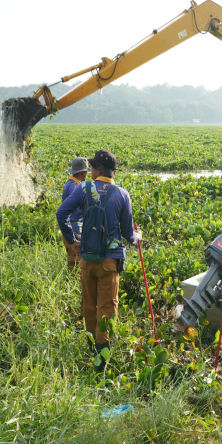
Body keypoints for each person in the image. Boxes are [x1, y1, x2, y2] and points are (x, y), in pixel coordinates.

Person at [56, 150, 141, 373]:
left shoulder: (83, 189)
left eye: (93, 167)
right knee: (106, 310)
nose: (90, 170)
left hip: (86, 260)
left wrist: (73, 240)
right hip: (110, 263)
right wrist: (137, 236)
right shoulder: (122, 194)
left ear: (99, 170)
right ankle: (101, 364)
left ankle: (91, 348)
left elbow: (61, 213)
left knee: (89, 306)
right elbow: (128, 234)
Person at [62, 157, 89, 270]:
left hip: (71, 230)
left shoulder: (70, 183)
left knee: (75, 264)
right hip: (74, 230)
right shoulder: (74, 188)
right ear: (83, 173)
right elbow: (77, 211)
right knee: (75, 266)